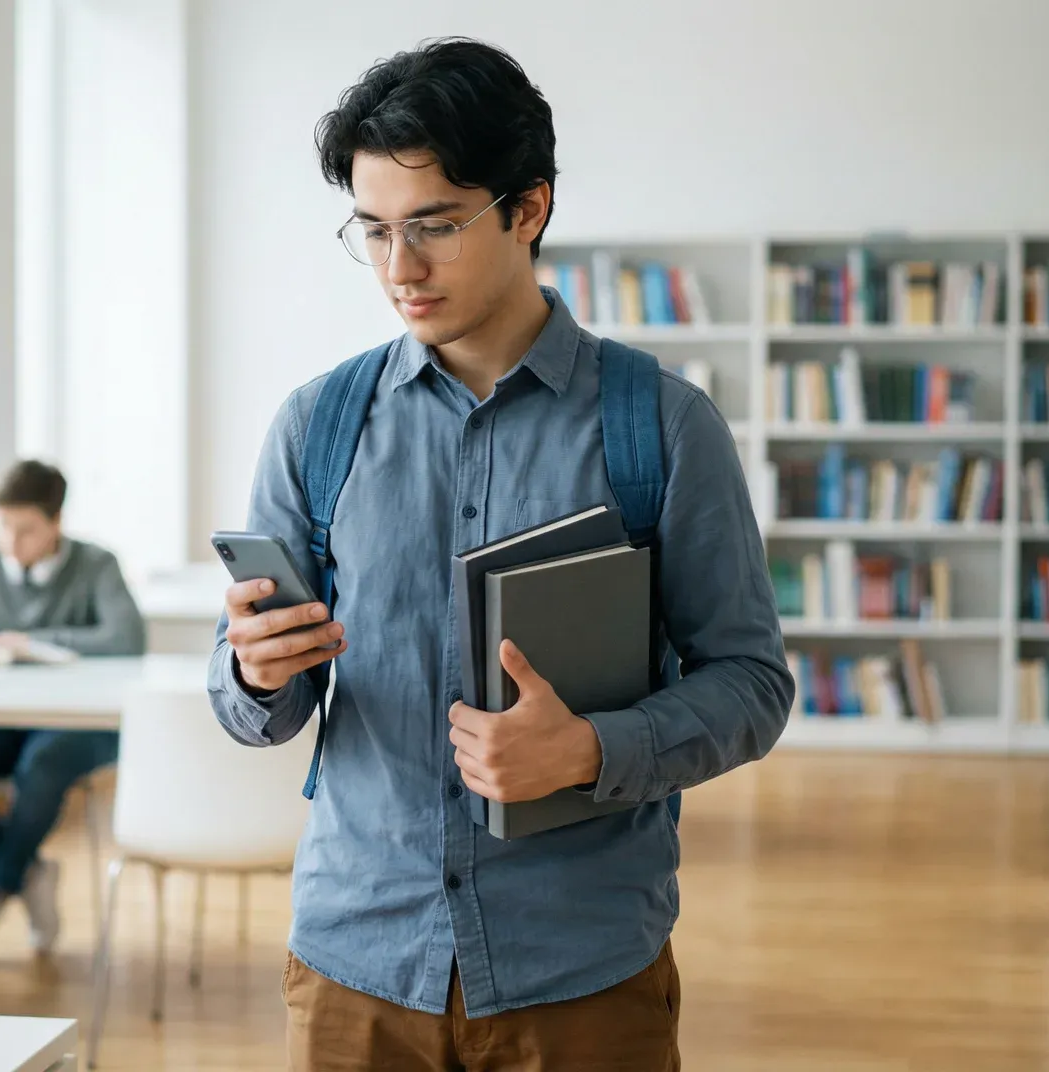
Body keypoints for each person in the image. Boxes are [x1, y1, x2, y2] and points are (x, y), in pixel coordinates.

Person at [207, 38, 792, 1070]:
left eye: (433, 226)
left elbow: (751, 684)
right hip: (357, 968)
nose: (401, 269)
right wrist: (253, 670)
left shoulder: (660, 426)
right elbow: (261, 703)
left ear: (529, 208)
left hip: (582, 973)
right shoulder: (317, 426)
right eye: (375, 230)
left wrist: (592, 751)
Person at [0, 459, 145, 962]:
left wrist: (30, 640)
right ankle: (27, 870)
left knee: (40, 766)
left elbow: (127, 637)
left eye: (25, 530)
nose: (10, 542)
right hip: (6, 720)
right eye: (2, 526)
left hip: (82, 725)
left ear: (56, 523)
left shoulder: (96, 564)